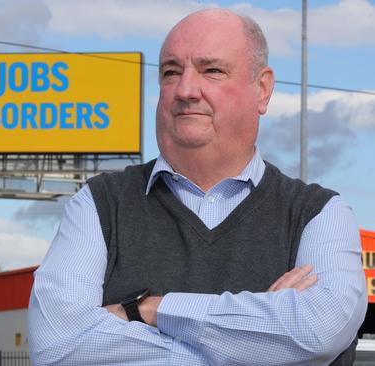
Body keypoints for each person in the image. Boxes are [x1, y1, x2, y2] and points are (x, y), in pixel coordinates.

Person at [28, 8, 367, 366]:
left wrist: (149, 310)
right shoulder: (99, 204)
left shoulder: (318, 213)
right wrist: (256, 343)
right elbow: (56, 348)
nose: (186, 90)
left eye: (212, 70)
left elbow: (319, 330)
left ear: (262, 89)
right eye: (171, 72)